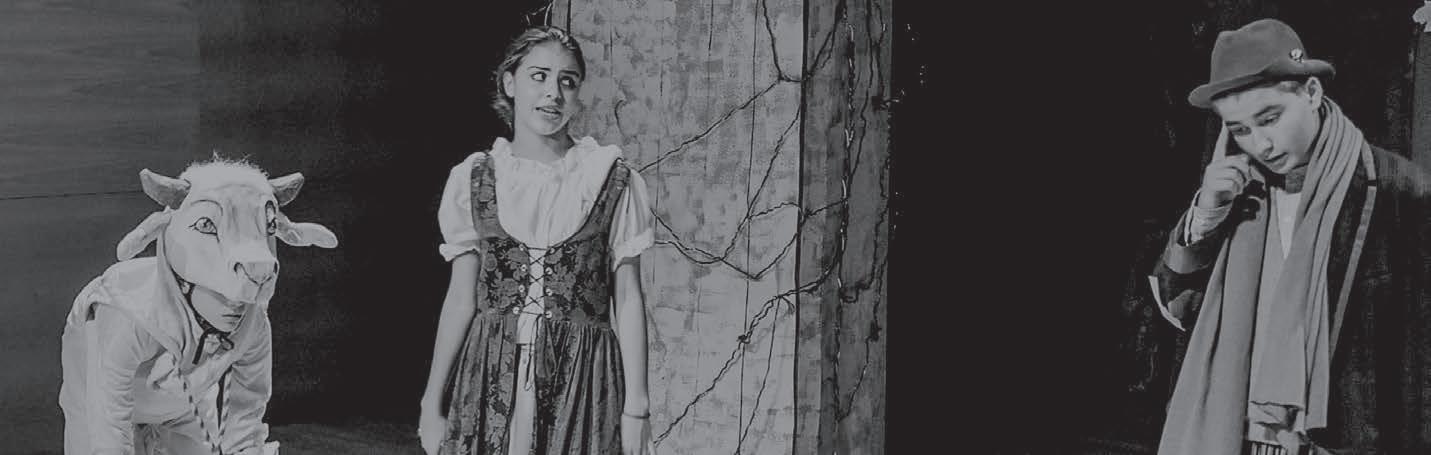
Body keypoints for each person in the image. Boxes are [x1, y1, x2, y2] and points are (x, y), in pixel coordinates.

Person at [1151, 18, 1431, 454]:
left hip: (1343, 438)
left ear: (1312, 93)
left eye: (1270, 118)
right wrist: (1206, 213)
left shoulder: (1399, 190)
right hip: (1238, 435)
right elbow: (1178, 309)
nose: (1260, 144)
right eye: (1240, 130)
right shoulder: (1235, 193)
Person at [417, 25, 655, 455]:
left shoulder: (609, 178)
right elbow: (461, 299)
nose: (553, 94)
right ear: (510, 83)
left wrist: (636, 407)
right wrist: (431, 402)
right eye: (539, 76)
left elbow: (629, 297)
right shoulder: (475, 178)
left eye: (568, 81)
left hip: (583, 377)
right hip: (490, 370)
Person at [59, 161, 337, 454]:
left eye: (243, 298)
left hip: (185, 401)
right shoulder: (126, 313)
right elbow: (108, 420)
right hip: (99, 392)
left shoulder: (251, 325)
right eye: (219, 293)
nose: (237, 305)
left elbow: (246, 410)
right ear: (182, 284)